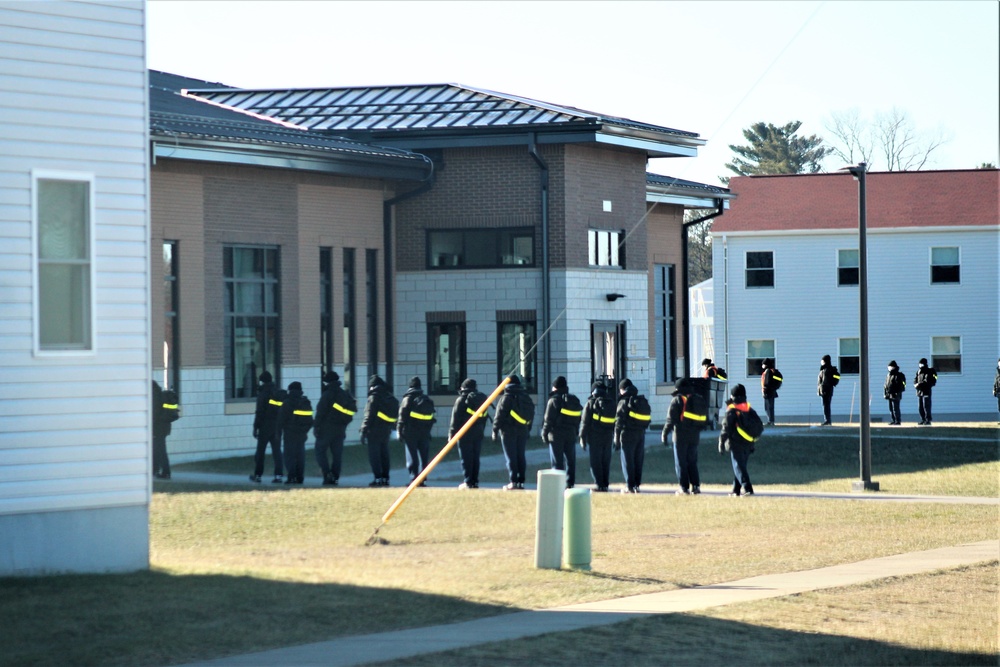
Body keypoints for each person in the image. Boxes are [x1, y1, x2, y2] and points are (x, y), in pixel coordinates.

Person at [661, 377, 707, 495]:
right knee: (692, 462)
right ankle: (695, 486)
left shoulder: (677, 400)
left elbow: (671, 419)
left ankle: (683, 487)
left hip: (680, 436)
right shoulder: (697, 399)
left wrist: (665, 433)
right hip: (694, 436)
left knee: (681, 462)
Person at [492, 374, 534, 490]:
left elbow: (499, 416)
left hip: (508, 431)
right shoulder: (526, 397)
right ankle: (521, 482)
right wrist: (528, 428)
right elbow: (531, 414)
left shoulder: (506, 398)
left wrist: (495, 430)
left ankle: (513, 481)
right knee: (521, 455)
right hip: (523, 430)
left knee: (511, 457)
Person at [314, 371, 356, 486]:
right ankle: (335, 477)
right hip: (340, 429)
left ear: (327, 382)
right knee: (337, 455)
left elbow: (320, 412)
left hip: (326, 429)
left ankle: (327, 474)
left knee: (320, 451)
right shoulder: (343, 394)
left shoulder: (327, 394)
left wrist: (316, 426)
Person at [540, 376, 583, 489]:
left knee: (557, 461)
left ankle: (558, 484)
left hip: (556, 435)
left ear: (555, 387)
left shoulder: (553, 401)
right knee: (570, 461)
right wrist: (576, 431)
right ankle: (570, 483)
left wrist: (544, 434)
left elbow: (548, 420)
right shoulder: (574, 400)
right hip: (570, 434)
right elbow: (578, 418)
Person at [450, 378, 491, 489]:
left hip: (464, 434)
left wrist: (451, 436)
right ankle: (475, 481)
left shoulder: (461, 400)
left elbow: (455, 420)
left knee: (466, 458)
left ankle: (468, 481)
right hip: (478, 433)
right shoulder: (481, 400)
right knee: (475, 458)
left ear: (463, 388)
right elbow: (484, 418)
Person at [718, 384, 758, 497]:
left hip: (736, 443)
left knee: (738, 466)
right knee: (740, 466)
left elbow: (726, 428)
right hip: (748, 443)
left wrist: (721, 442)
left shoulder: (732, 410)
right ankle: (736, 489)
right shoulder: (749, 409)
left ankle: (747, 488)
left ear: (732, 396)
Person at [614, 378, 651, 493]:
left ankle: (629, 486)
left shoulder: (623, 402)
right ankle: (636, 485)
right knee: (637, 460)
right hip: (640, 434)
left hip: (627, 434)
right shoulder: (641, 400)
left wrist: (616, 438)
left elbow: (618, 422)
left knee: (627, 460)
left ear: (622, 390)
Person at [360, 375, 398, 487]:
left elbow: (369, 416)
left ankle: (377, 479)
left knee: (374, 456)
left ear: (372, 386)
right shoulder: (389, 397)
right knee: (384, 455)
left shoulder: (374, 398)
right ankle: (385, 479)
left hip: (374, 431)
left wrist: (363, 430)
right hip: (386, 430)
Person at [579, 380, 616, 492]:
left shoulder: (590, 403)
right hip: (608, 437)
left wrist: (582, 438)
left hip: (594, 437)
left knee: (596, 461)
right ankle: (605, 483)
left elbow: (584, 422)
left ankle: (599, 484)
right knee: (606, 460)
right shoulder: (612, 403)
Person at [398, 376, 436, 485]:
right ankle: (423, 478)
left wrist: (400, 432)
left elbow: (402, 417)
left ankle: (414, 478)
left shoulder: (407, 399)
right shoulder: (426, 399)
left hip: (411, 432)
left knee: (412, 456)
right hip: (424, 432)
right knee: (424, 456)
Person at [250, 370, 285, 483]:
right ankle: (278, 475)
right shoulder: (277, 392)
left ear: (262, 382)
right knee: (277, 452)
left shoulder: (263, 394)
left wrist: (256, 427)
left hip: (265, 426)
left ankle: (258, 475)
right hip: (277, 426)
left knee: (260, 452)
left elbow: (259, 412)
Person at [276, 381, 313, 484]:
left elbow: (281, 420)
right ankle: (300, 477)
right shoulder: (305, 402)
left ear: (290, 390)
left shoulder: (287, 402)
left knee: (289, 456)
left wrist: (278, 433)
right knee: (300, 456)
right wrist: (305, 430)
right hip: (302, 434)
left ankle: (291, 477)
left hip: (290, 433)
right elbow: (310, 420)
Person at [152, 380, 179, 480]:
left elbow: (155, 412)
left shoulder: (154, 396)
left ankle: (166, 472)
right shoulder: (158, 393)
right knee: (156, 449)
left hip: (158, 427)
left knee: (160, 450)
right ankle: (155, 469)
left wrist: (151, 425)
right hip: (163, 427)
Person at [817, 354, 839, 426]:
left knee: (826, 405)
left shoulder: (830, 369)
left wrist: (833, 383)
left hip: (828, 390)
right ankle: (827, 419)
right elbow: (820, 381)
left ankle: (827, 420)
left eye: (822, 361)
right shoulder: (822, 370)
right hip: (823, 390)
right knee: (825, 405)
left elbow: (837, 376)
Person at [914, 358, 937, 426]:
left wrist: (919, 384)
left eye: (921, 363)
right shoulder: (918, 371)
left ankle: (928, 420)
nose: (920, 365)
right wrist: (915, 384)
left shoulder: (929, 371)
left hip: (926, 391)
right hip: (919, 391)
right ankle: (923, 419)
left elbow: (927, 381)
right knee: (920, 406)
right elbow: (915, 379)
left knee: (926, 406)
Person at [883, 361, 906, 425]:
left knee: (895, 408)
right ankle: (893, 420)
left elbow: (902, 385)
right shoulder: (888, 375)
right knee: (891, 408)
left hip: (896, 394)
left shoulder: (899, 375)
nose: (889, 368)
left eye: (890, 367)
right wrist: (885, 393)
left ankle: (897, 420)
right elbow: (886, 385)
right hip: (889, 394)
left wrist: (897, 392)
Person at [760, 358, 781, 426]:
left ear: (766, 364)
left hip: (768, 392)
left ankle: (770, 421)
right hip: (771, 391)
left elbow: (767, 382)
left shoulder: (768, 371)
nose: (762, 365)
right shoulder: (771, 371)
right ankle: (770, 420)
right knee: (769, 407)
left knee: (769, 407)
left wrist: (765, 390)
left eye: (763, 364)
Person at [994, 358, 1000, 424]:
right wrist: (994, 389)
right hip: (999, 391)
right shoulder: (997, 372)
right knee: (999, 407)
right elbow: (996, 381)